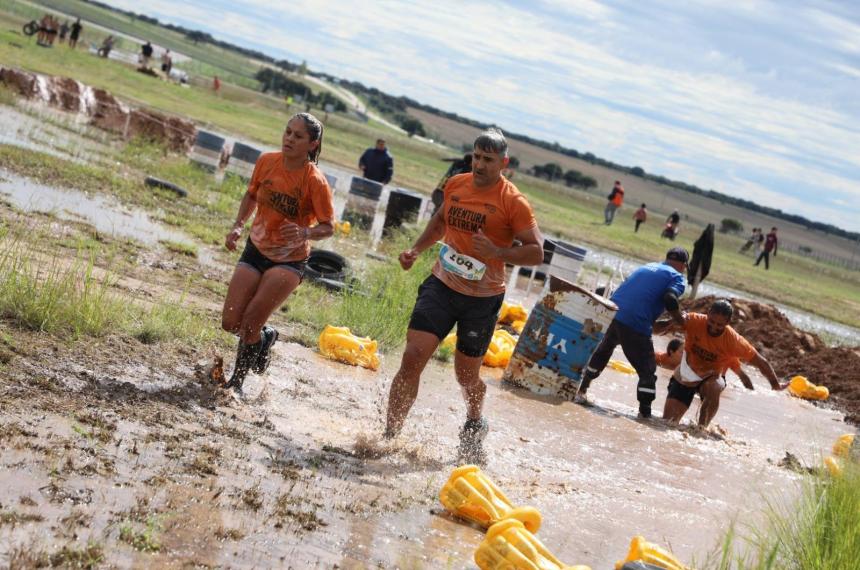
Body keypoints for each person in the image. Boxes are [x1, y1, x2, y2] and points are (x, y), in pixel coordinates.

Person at [384, 128, 544, 463]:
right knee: (414, 356)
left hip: (482, 299)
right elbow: (440, 221)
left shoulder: (513, 202)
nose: (481, 164)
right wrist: (415, 249)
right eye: (476, 157)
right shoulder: (456, 184)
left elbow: (536, 253)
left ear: (504, 163)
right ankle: (389, 436)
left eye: (489, 160)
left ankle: (474, 420)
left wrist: (499, 250)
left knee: (466, 376)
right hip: (442, 284)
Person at [221, 113, 334, 396]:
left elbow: (328, 226)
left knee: (248, 325)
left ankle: (237, 383)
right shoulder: (266, 161)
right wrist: (237, 227)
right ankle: (265, 337)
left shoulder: (315, 181)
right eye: (287, 132)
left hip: (289, 260)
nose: (289, 139)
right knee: (230, 323)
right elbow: (251, 195)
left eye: (298, 136)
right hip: (256, 247)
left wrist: (306, 233)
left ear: (312, 144)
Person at [576, 247, 688, 418]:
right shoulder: (677, 277)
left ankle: (581, 390)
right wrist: (681, 321)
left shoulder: (647, 267)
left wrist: (669, 323)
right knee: (647, 372)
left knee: (603, 351)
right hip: (634, 323)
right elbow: (670, 299)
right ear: (684, 265)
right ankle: (645, 415)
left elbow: (638, 312)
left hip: (612, 313)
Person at [656, 299, 787, 427]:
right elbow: (664, 326)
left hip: (711, 376)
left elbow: (760, 362)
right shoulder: (693, 320)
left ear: (728, 323)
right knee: (668, 423)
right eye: (711, 322)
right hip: (687, 373)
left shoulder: (734, 341)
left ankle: (701, 429)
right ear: (708, 314)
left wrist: (775, 384)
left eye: (719, 325)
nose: (714, 327)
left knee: (714, 387)